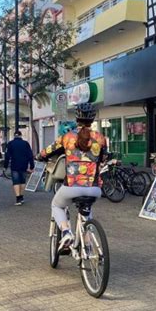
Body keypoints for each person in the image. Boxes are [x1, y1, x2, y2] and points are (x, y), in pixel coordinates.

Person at [38, 103, 106, 252]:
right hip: (94, 189)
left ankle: (66, 233)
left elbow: (47, 151)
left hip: (72, 187)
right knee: (86, 211)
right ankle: (87, 245)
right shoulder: (100, 138)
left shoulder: (67, 137)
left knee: (56, 205)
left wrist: (40, 156)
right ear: (93, 119)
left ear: (77, 118)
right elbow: (103, 158)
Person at [4, 130, 34, 206]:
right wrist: (31, 166)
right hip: (24, 165)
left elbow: (7, 156)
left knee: (16, 182)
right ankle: (21, 197)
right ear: (21, 136)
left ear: (14, 136)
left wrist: (5, 166)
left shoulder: (10, 144)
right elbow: (30, 155)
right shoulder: (26, 143)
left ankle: (18, 198)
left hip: (14, 165)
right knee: (23, 181)